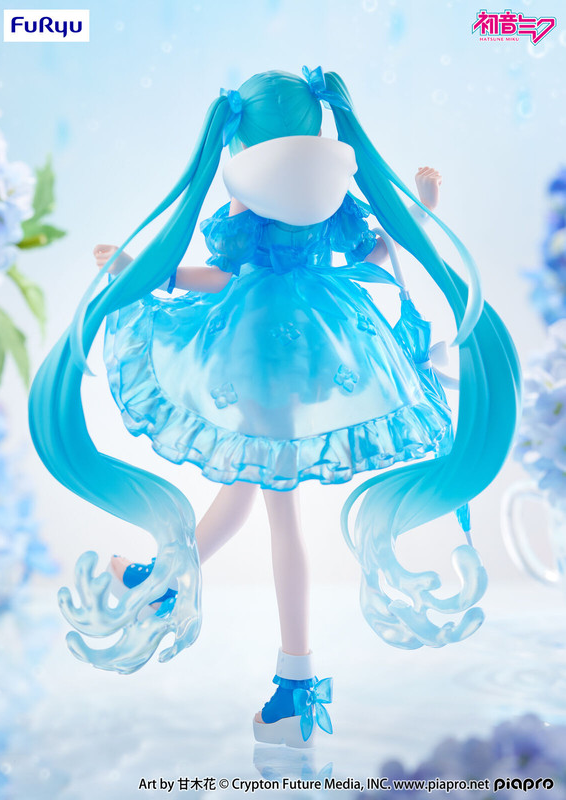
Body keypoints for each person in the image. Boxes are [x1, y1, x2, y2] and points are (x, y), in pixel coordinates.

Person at [29, 67, 521, 748]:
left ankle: (295, 683)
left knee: (276, 512)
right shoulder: (331, 194)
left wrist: (144, 272)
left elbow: (221, 276)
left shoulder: (250, 202)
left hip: (259, 356)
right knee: (245, 487)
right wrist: (423, 208)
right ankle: (167, 580)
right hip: (318, 353)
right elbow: (381, 251)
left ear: (241, 144)